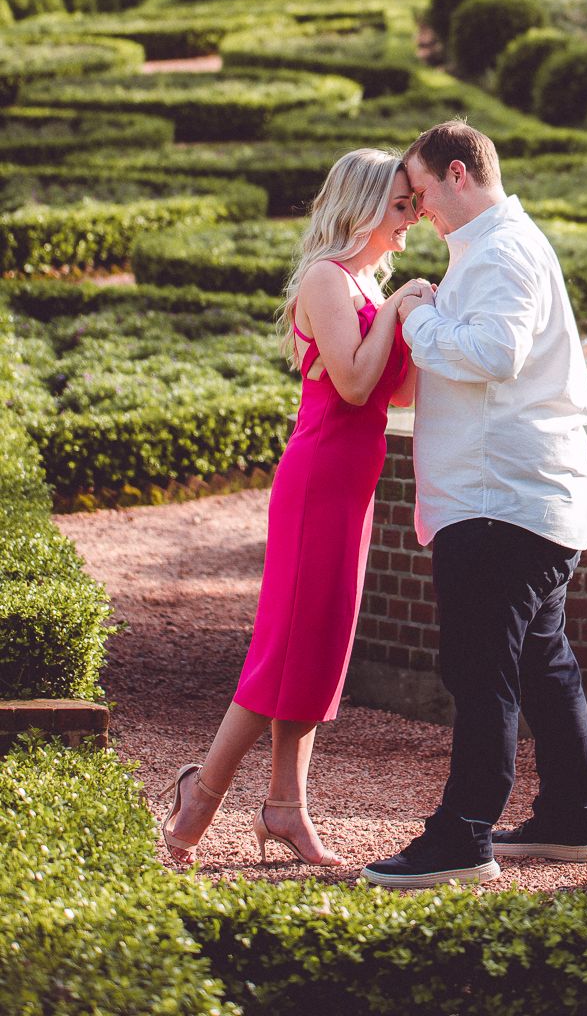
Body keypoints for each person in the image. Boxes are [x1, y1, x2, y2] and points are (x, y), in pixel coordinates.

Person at [160, 148, 432, 867]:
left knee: (319, 645)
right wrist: (396, 309)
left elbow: (399, 393)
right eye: (401, 205)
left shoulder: (369, 284)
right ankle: (200, 797)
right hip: (317, 482)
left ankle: (285, 807)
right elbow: (352, 385)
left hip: (353, 484)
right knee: (284, 646)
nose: (412, 216)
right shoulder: (326, 278)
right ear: (364, 207)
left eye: (413, 204)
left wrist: (419, 318)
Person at [361, 120, 587, 890]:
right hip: (523, 497)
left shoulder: (500, 252)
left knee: (481, 671)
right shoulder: (494, 248)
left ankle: (462, 837)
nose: (418, 208)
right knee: (542, 665)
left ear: (458, 174)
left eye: (421, 190)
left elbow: (494, 355)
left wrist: (415, 316)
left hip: (499, 502)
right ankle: (570, 819)